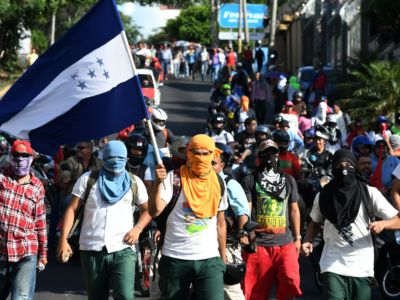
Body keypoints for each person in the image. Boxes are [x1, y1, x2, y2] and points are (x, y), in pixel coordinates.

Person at [57, 140, 152, 300]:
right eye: (111, 158)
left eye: (120, 159)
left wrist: (138, 229)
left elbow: (148, 210)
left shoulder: (135, 183)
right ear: (104, 158)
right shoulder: (87, 180)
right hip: (92, 249)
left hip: (123, 249)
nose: (116, 163)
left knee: (125, 296)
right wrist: (63, 239)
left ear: (126, 159)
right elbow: (72, 209)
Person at [301, 149, 400, 300]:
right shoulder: (323, 195)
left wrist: (383, 224)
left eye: (348, 164)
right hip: (332, 265)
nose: (344, 169)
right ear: (333, 169)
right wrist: (307, 240)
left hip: (361, 267)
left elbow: (398, 220)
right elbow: (315, 223)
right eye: (340, 165)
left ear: (355, 167)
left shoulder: (369, 193)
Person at [149, 134, 228, 300]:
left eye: (205, 153)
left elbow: (220, 224)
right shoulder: (174, 178)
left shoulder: (218, 183)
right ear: (188, 153)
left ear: (214, 154)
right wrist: (157, 183)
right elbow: (155, 211)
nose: (200, 158)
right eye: (196, 153)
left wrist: (223, 258)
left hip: (209, 260)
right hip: (176, 259)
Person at [241, 139, 302, 300]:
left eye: (274, 152)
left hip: (285, 244)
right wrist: (246, 233)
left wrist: (298, 238)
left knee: (291, 282)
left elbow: (294, 210)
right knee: (254, 292)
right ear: (260, 156)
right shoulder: (250, 180)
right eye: (266, 153)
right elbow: (245, 209)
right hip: (259, 245)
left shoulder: (289, 180)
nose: (271, 156)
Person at [0, 140, 47, 300]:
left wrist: (43, 254)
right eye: (16, 155)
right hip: (2, 250)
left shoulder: (37, 186)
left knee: (21, 297)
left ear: (31, 158)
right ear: (10, 156)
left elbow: (40, 222)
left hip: (26, 250)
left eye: (24, 155)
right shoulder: (2, 178)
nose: (20, 159)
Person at [213, 142, 249, 300]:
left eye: (213, 163)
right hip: (200, 243)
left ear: (222, 165)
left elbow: (242, 212)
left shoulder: (230, 184)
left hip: (227, 243)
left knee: (230, 288)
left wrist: (242, 231)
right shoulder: (198, 183)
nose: (208, 165)